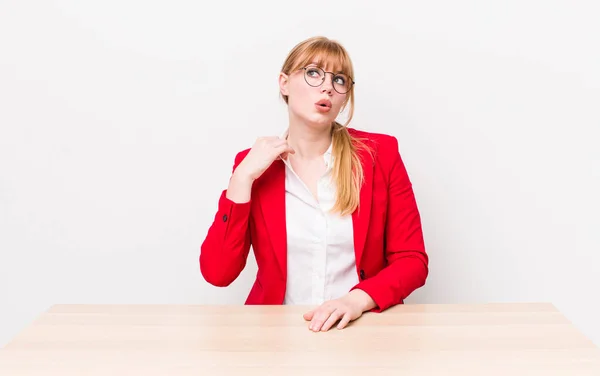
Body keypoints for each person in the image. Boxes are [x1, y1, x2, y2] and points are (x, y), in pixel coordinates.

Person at [200, 36, 428, 332]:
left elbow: (412, 261)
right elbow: (218, 273)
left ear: (345, 96)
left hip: (361, 330)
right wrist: (241, 179)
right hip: (275, 335)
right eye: (313, 73)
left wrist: (356, 301)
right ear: (284, 83)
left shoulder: (379, 155)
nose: (327, 86)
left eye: (339, 80)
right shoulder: (254, 164)